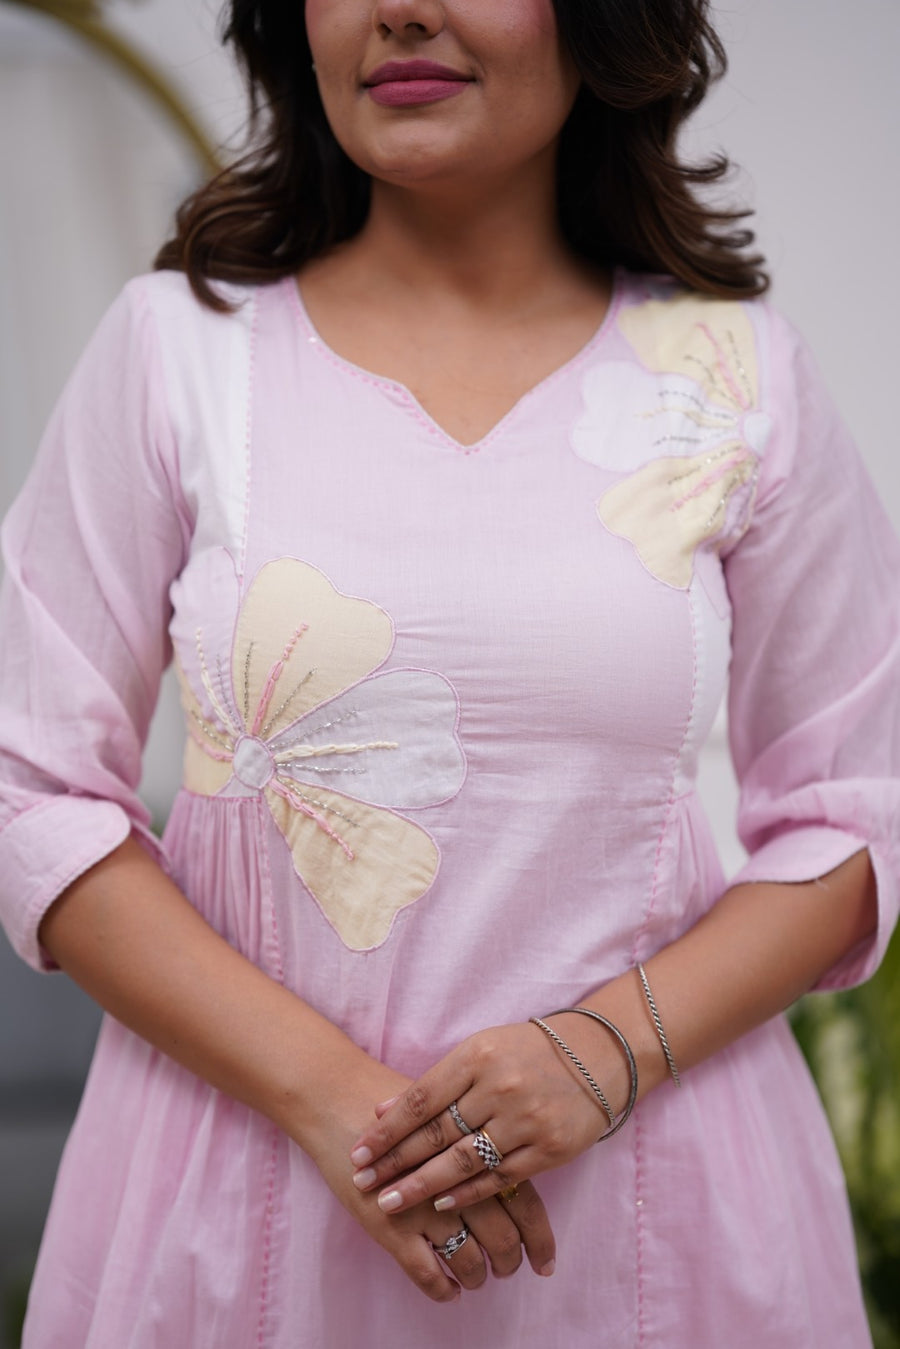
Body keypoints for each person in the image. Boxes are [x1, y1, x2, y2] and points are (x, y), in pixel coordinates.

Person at [1, 0, 898, 1345]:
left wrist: (605, 1053)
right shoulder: (177, 354)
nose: (403, 9)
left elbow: (857, 813)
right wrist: (336, 1100)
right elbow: (31, 785)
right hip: (240, 1206)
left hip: (662, 1220)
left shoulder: (734, 374)